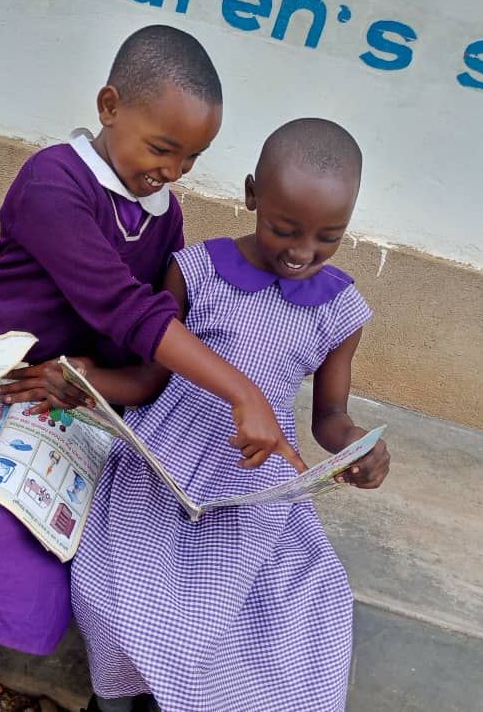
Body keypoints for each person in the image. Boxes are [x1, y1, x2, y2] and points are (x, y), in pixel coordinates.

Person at [0, 25, 300, 712]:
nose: (173, 171)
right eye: (162, 148)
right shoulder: (53, 182)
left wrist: (94, 379)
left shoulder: (164, 217)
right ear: (109, 106)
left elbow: (141, 341)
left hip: (61, 397)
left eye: (192, 157)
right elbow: (126, 307)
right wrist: (243, 392)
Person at [69, 118, 392, 712]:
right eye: (284, 229)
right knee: (108, 590)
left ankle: (180, 695)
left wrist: (356, 447)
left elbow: (329, 416)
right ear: (250, 196)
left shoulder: (342, 308)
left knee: (287, 606)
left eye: (328, 238)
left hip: (255, 474)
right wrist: (89, 383)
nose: (302, 252)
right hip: (163, 456)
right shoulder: (196, 270)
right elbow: (149, 377)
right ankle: (115, 700)